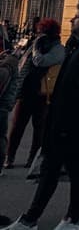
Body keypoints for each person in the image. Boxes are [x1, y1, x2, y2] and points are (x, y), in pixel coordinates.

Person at [2, 1, 79, 230]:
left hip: (72, 125)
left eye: (77, 16)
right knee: (52, 171)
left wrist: (66, 125)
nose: (72, 19)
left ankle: (69, 219)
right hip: (61, 121)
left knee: (74, 171)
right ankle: (34, 219)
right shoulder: (76, 47)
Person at [4, 19, 65, 170]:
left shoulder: (58, 49)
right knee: (16, 126)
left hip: (43, 93)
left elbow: (40, 62)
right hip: (26, 91)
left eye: (42, 32)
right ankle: (9, 157)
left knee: (39, 129)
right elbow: (23, 64)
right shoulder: (35, 44)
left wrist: (36, 49)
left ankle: (32, 158)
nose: (39, 35)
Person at [0, 47, 20, 178]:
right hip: (4, 105)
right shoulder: (9, 64)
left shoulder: (6, 66)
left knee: (1, 136)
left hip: (1, 106)